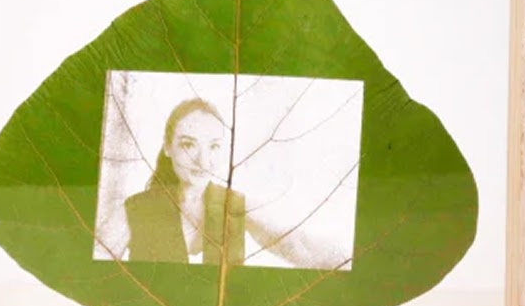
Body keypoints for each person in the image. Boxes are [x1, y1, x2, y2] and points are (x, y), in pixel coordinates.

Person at [102, 97, 347, 269]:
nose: (203, 160)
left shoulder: (237, 205)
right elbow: (92, 268)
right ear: (168, 147)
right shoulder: (134, 210)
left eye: (214, 146)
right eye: (188, 145)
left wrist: (356, 261)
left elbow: (300, 245)